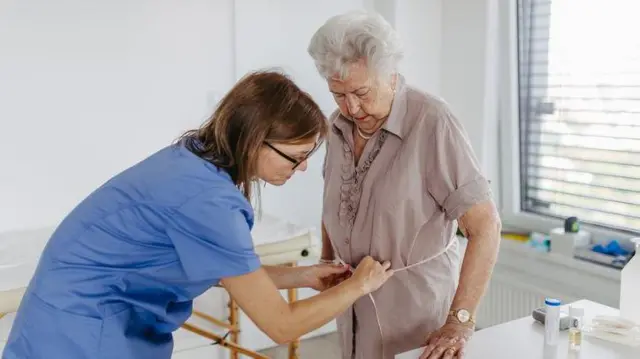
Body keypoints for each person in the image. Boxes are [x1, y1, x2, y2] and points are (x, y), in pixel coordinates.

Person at [2, 70, 394, 359]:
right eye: (297, 157)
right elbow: (280, 325)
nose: (303, 168)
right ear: (256, 140)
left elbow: (219, 269)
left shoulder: (190, 160)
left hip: (62, 319)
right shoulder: (208, 201)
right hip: (81, 336)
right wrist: (358, 286)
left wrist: (303, 276)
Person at [308, 11, 502, 359]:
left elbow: (485, 225)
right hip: (351, 306)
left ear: (390, 75)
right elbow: (333, 201)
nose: (351, 107)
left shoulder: (432, 122)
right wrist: (326, 259)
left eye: (361, 92)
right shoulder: (336, 128)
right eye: (338, 94)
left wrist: (460, 320)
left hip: (414, 313)